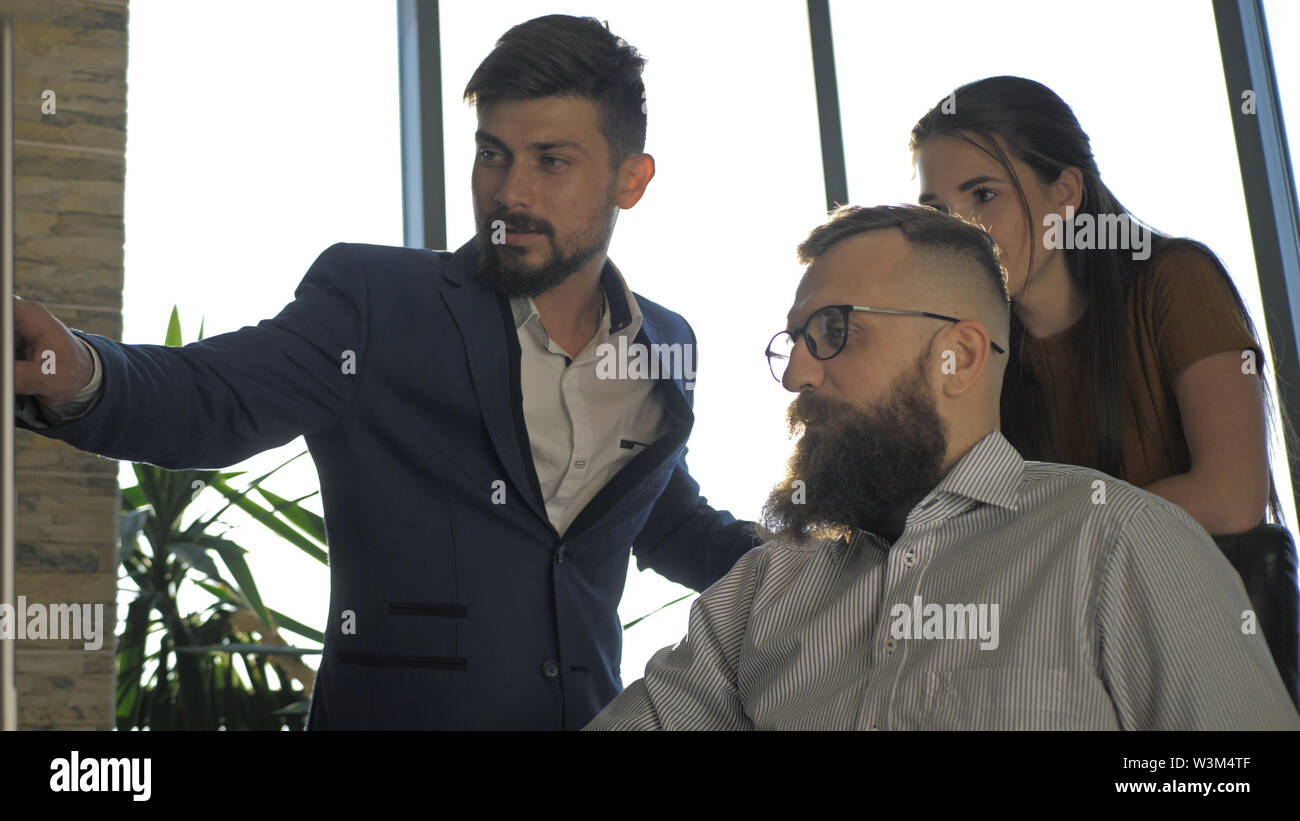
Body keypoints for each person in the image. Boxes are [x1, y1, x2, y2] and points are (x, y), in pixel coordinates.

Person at [11, 14, 758, 730]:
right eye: (492, 152)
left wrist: (836, 561)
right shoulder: (376, 302)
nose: (510, 193)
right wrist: (75, 367)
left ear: (631, 180)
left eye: (551, 160)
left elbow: (665, 519)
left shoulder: (662, 343)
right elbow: (216, 396)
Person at [584, 204, 1300, 730]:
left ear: (956, 356)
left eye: (834, 331)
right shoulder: (760, 593)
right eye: (794, 341)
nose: (797, 371)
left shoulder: (1121, 544)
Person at [912, 76, 1274, 536]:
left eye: (984, 195)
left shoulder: (1175, 277)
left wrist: (1044, 534)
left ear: (1065, 193)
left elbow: (1233, 497)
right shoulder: (965, 351)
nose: (961, 231)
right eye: (938, 213)